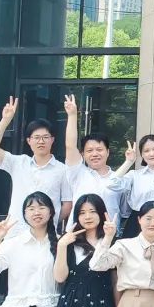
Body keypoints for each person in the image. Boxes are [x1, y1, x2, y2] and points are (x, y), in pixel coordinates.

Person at [0, 96, 71, 232]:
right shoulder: (18, 163)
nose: (41, 141)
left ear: (52, 140)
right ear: (29, 141)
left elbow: (67, 203)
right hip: (16, 231)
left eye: (45, 137)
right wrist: (5, 120)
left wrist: (50, 222)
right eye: (36, 137)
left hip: (46, 235)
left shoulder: (63, 170)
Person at [63, 94, 121, 228]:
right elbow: (70, 146)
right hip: (78, 235)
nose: (95, 154)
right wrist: (72, 115)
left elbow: (124, 210)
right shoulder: (78, 173)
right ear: (82, 154)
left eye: (99, 149)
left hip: (108, 235)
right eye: (89, 150)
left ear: (108, 152)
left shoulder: (119, 179)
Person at [109, 135, 154, 238]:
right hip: (136, 223)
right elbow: (112, 184)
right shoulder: (135, 175)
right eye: (146, 151)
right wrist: (129, 162)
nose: (151, 153)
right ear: (142, 154)